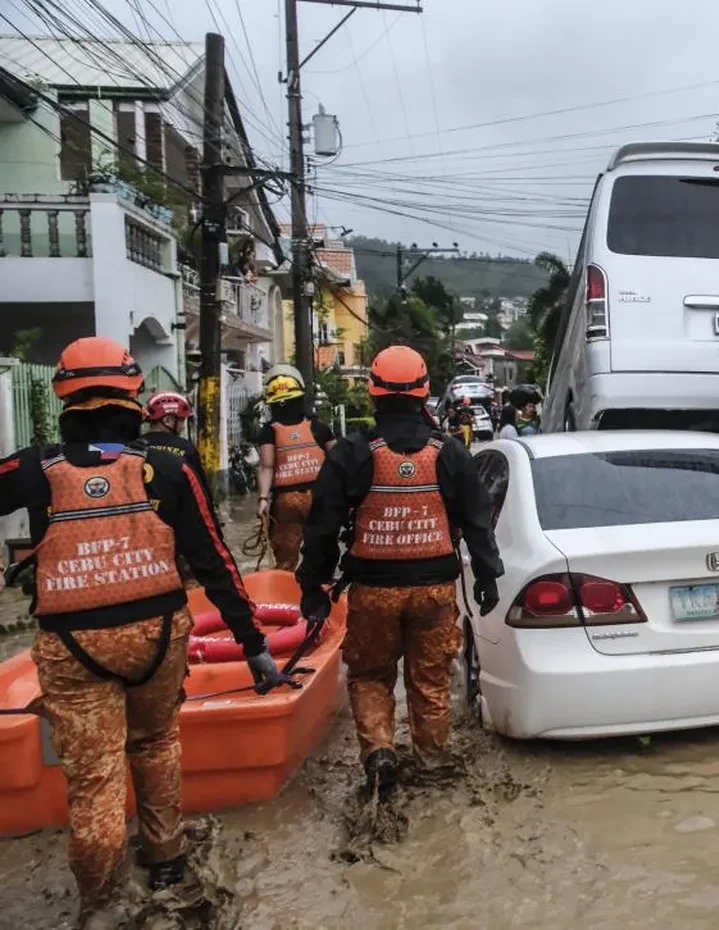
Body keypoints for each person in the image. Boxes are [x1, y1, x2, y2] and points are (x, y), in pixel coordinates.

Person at [0, 338, 288, 927]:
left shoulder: (35, 466)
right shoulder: (170, 465)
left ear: (63, 394)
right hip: (159, 639)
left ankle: (102, 904)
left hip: (73, 648)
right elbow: (215, 560)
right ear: (135, 394)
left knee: (96, 778)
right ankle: (166, 861)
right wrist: (254, 647)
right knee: (156, 745)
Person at [295, 346, 503, 796]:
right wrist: (488, 577)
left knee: (370, 675)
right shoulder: (449, 452)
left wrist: (312, 586)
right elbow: (478, 520)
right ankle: (429, 764)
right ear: (425, 393)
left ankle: (380, 753)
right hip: (434, 592)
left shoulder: (352, 452)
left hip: (373, 592)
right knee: (429, 681)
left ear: (372, 393)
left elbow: (321, 528)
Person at [254, 365, 335, 570]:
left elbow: (266, 467)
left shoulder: (269, 432)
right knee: (321, 557)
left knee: (285, 561)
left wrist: (262, 499)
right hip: (320, 498)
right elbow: (338, 463)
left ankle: (287, 597)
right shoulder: (320, 428)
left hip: (286, 501)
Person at [139, 392, 211, 589]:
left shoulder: (133, 448)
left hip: (144, 532)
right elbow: (201, 495)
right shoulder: (185, 448)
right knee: (190, 585)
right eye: (181, 421)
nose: (182, 426)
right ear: (169, 419)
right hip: (179, 532)